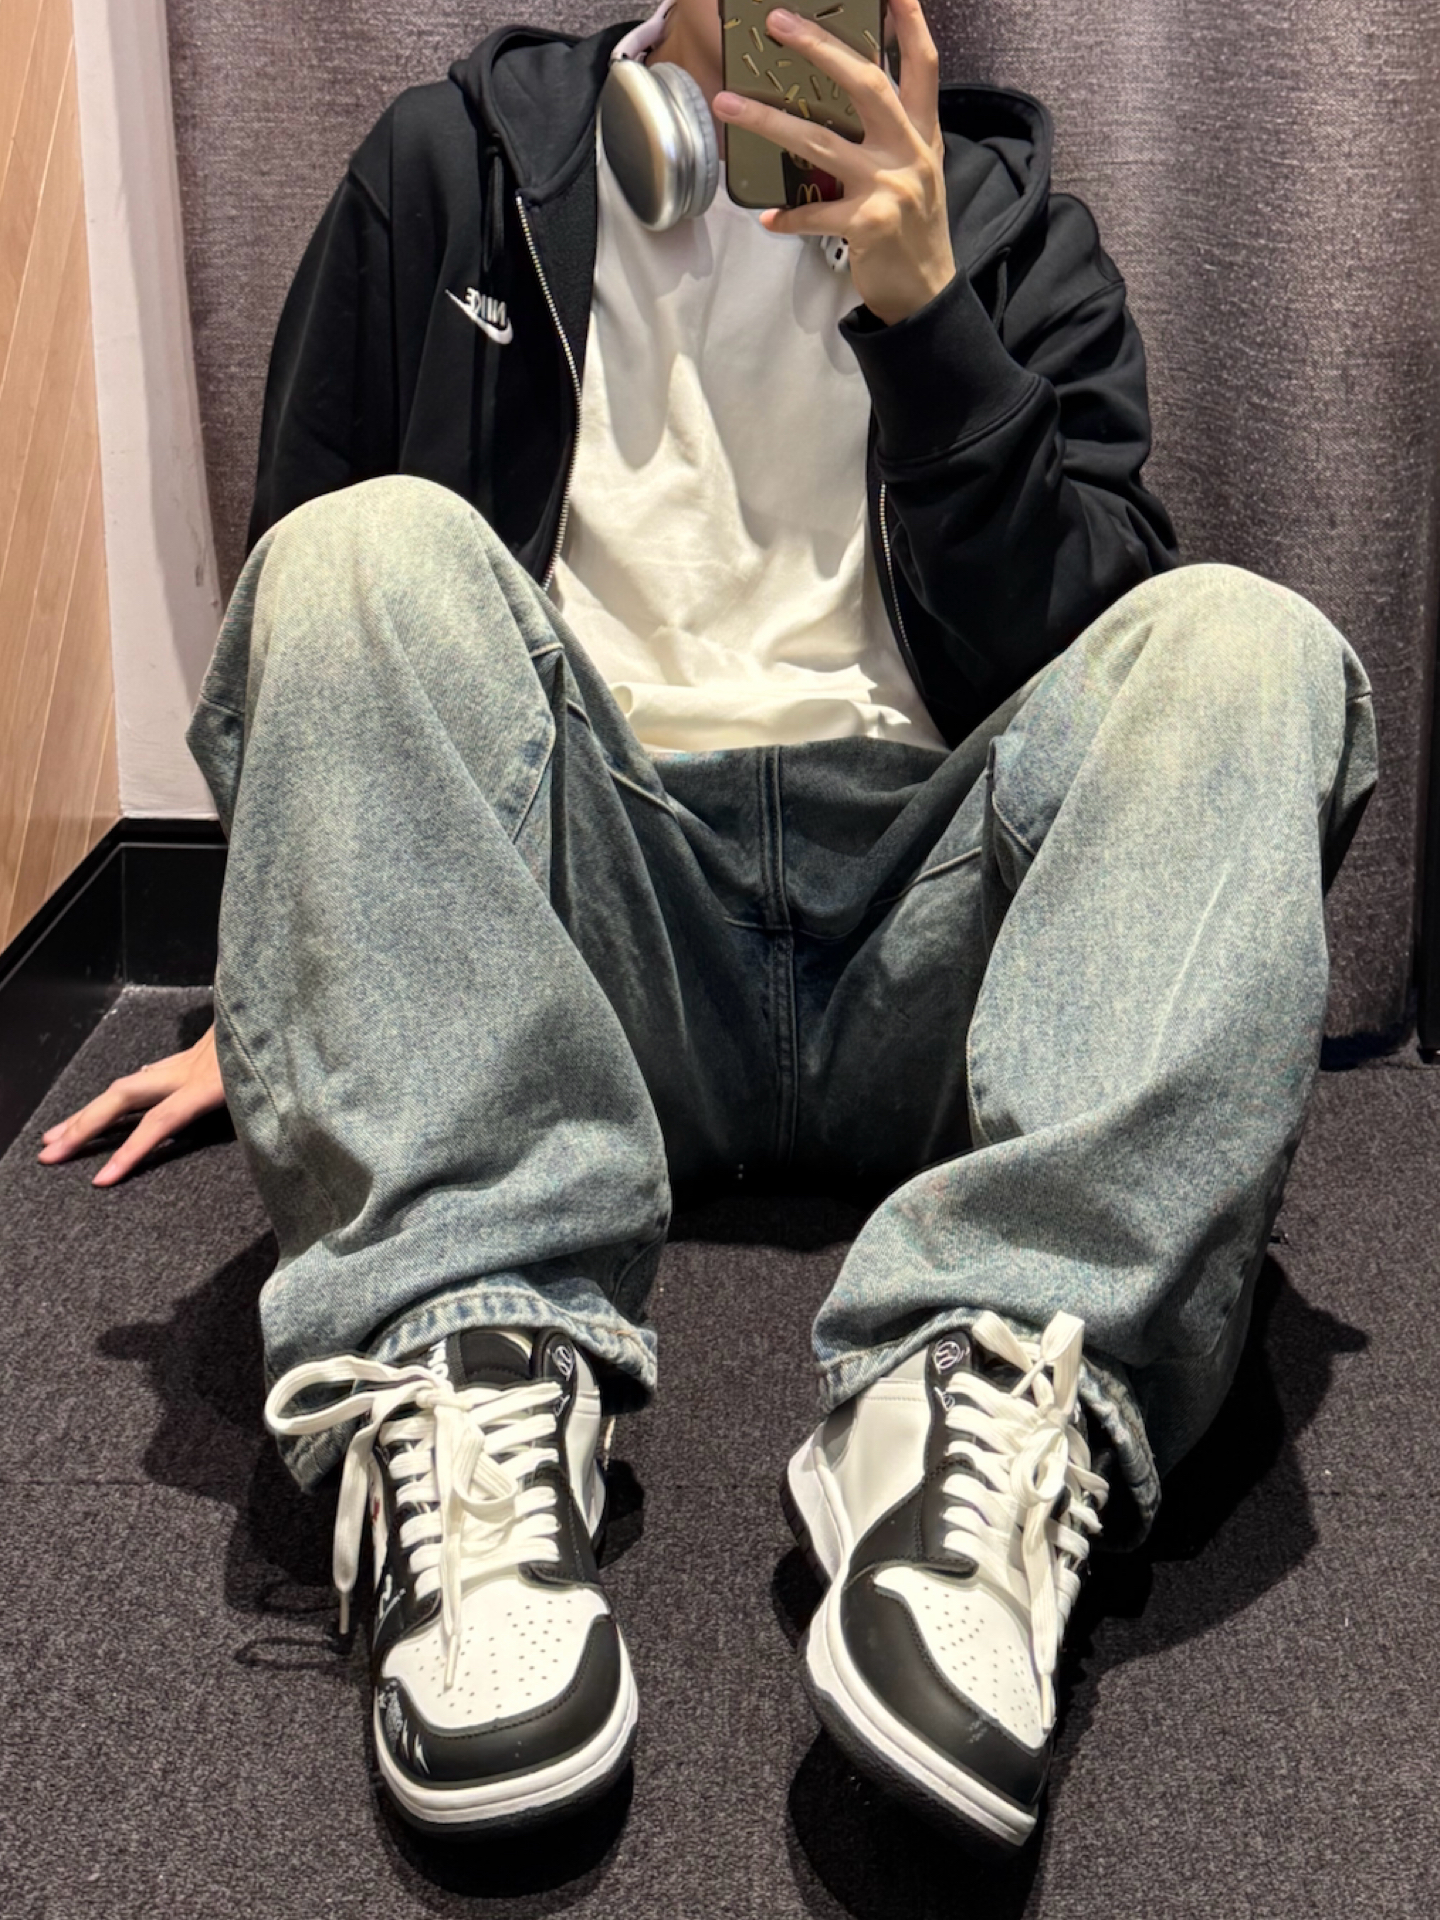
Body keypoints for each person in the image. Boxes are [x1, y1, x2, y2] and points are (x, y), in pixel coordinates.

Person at [39, 0, 1376, 1854]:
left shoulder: (1012, 229)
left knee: (1250, 644)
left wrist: (932, 319)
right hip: (587, 949)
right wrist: (292, 974)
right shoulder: (449, 172)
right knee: (352, 553)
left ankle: (999, 1389)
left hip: (934, 946)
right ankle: (468, 1363)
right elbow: (317, 602)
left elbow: (1096, 671)